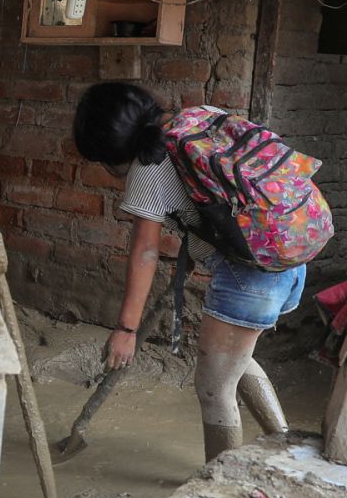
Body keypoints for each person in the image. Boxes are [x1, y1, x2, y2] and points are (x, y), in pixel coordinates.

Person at [72, 82, 293, 462]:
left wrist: (126, 330)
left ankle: (219, 489)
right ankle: (287, 448)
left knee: (212, 388)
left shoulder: (148, 168)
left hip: (251, 277)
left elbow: (145, 251)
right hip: (290, 250)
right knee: (234, 358)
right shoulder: (200, 116)